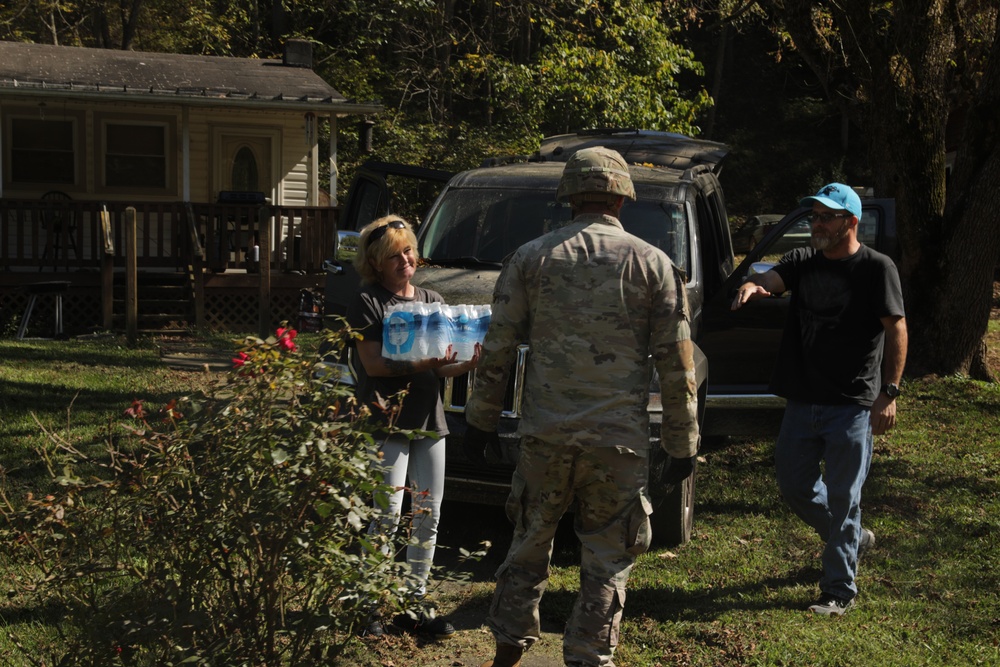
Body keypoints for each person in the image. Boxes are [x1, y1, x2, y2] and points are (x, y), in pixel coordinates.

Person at [464, 147, 701, 667]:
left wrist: (480, 420)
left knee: (527, 545)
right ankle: (590, 658)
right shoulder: (654, 263)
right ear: (622, 195)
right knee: (607, 559)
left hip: (545, 434)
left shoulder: (531, 257)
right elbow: (676, 364)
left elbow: (497, 348)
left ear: (569, 195)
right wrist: (682, 443)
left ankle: (506, 655)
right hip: (617, 442)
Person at [731, 182, 907, 616]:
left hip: (852, 403)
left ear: (851, 221)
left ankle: (838, 590)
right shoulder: (803, 261)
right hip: (803, 399)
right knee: (794, 485)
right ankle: (853, 537)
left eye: (827, 216)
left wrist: (889, 393)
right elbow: (773, 278)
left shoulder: (876, 268)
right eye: (814, 216)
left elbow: (896, 329)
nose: (817, 223)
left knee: (846, 497)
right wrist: (757, 286)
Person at [347, 214, 480, 638]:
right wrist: (429, 362)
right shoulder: (368, 301)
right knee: (386, 514)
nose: (404, 260)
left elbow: (442, 369)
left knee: (429, 512)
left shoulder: (431, 298)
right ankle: (368, 607)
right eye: (393, 255)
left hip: (429, 420)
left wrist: (467, 362)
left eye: (408, 251)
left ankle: (414, 603)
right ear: (376, 262)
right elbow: (373, 365)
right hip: (387, 421)